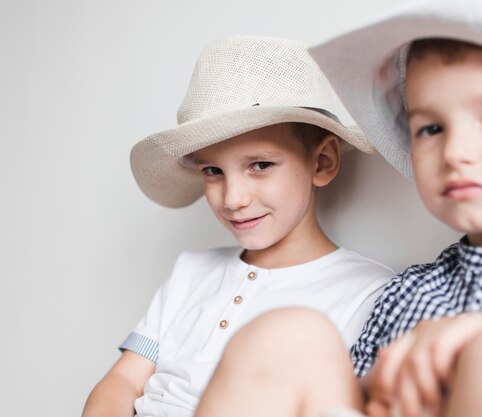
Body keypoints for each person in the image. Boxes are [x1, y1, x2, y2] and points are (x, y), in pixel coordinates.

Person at [191, 1, 482, 416]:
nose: (457, 151)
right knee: (286, 335)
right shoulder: (408, 294)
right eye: (431, 128)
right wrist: (380, 389)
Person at [81, 35, 393, 417]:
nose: (232, 198)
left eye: (260, 165)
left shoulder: (367, 294)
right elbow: (124, 381)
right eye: (213, 171)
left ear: (322, 162)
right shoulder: (190, 274)